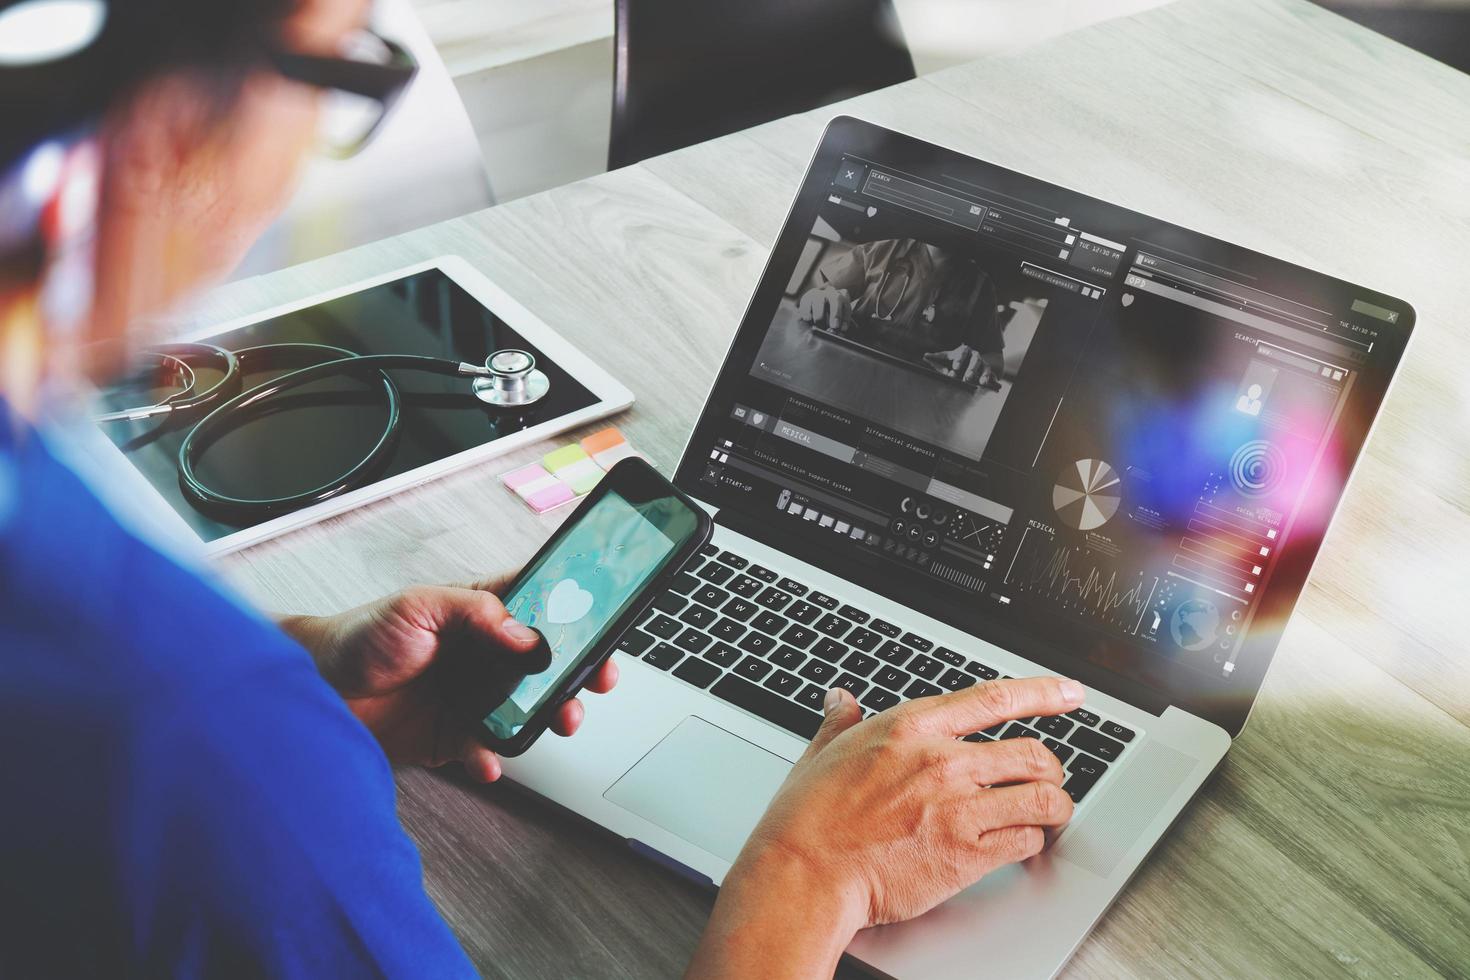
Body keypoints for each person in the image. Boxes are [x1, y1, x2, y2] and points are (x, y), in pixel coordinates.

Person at [0, 2, 1079, 976]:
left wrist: (316, 675)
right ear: (165, 135)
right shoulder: (212, 747)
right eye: (350, 72)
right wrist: (807, 874)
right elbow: (165, 736)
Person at [798, 236, 1006, 387]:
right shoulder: (882, 250)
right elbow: (823, 293)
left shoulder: (981, 286)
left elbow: (995, 358)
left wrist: (979, 363)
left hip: (923, 391)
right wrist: (818, 298)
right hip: (845, 369)